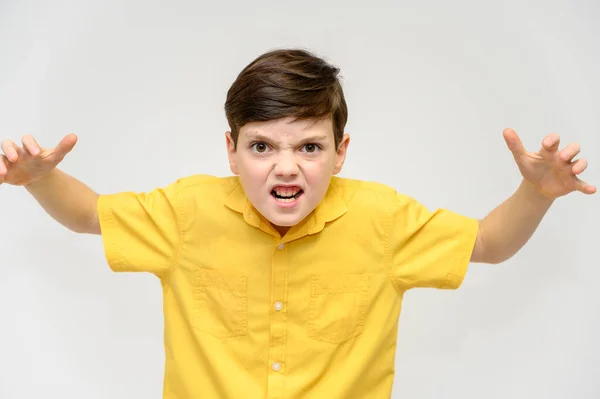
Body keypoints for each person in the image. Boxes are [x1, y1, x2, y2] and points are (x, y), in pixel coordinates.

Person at [0, 48, 595, 399]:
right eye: (262, 147)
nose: (286, 167)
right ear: (230, 150)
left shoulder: (381, 219)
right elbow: (86, 214)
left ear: (341, 152)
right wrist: (38, 179)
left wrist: (535, 192)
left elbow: (488, 243)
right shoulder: (185, 213)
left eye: (309, 147)